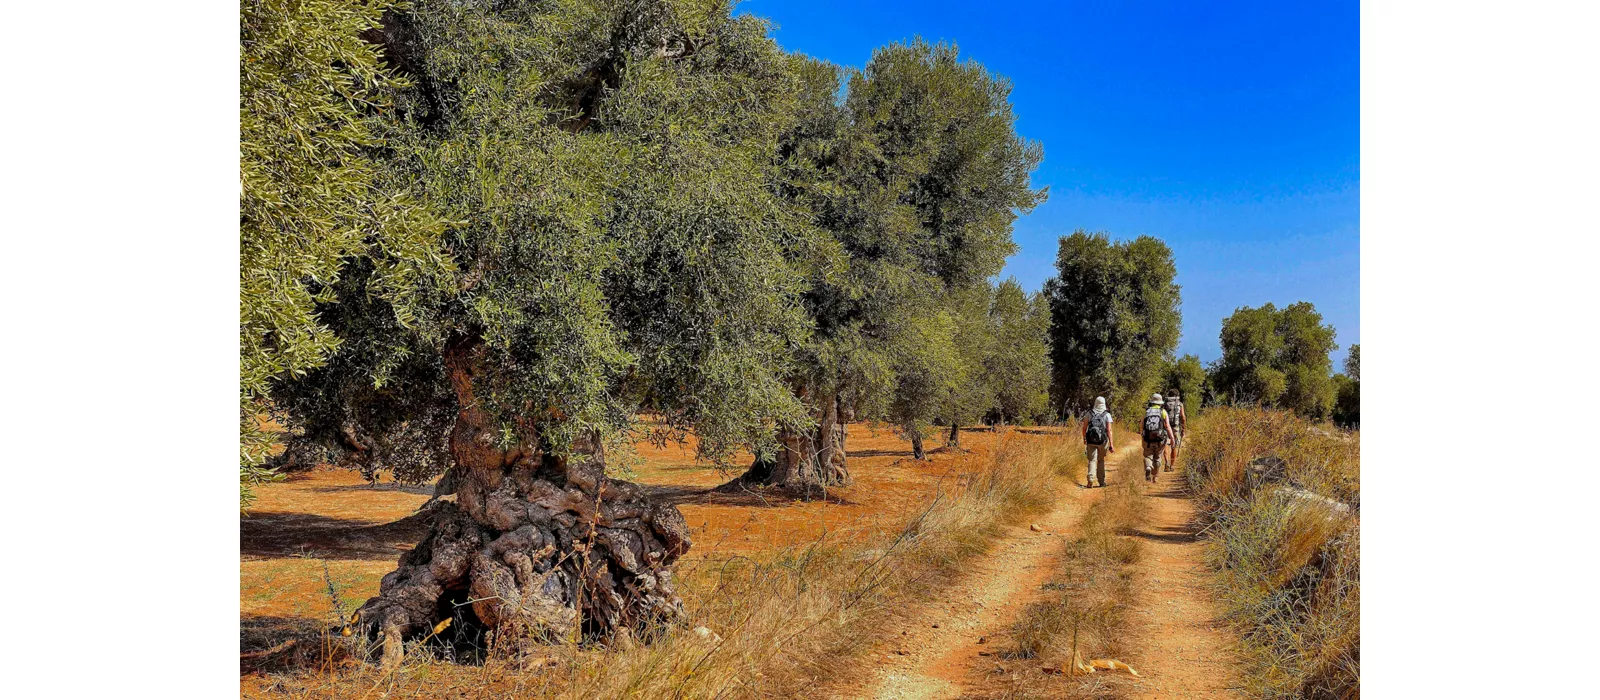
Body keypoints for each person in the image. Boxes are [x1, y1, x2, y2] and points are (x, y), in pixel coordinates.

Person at [1081, 396, 1115, 488]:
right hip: (1102, 442)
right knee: (1100, 460)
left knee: (1092, 460)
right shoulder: (1107, 415)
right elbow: (1109, 430)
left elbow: (1084, 428)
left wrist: (1084, 438)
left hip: (1090, 441)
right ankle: (1101, 482)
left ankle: (1090, 479)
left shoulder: (1089, 413)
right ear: (1104, 404)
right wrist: (1111, 444)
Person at [1140, 394, 1175, 483]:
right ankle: (1155, 477)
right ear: (1160, 403)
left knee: (1147, 455)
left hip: (1147, 438)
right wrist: (1172, 438)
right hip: (1160, 439)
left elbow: (1141, 425)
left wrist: (1142, 435)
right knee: (1158, 457)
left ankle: (1148, 467)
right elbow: (1167, 426)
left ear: (1152, 402)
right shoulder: (1163, 412)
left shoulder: (1146, 412)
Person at [1164, 391, 1186, 471]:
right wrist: (1183, 429)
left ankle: (1166, 463)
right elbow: (1183, 417)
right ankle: (1172, 466)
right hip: (1175, 427)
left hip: (1165, 426)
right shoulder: (1179, 403)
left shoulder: (1164, 403)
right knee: (1174, 446)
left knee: (1165, 444)